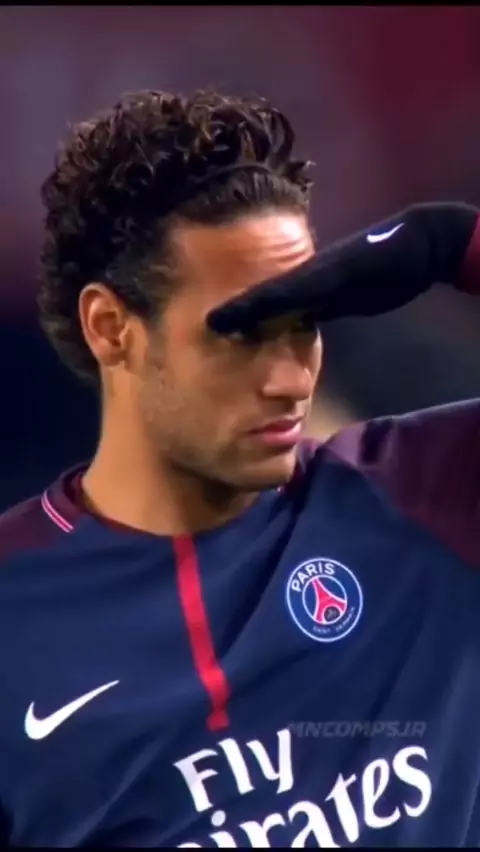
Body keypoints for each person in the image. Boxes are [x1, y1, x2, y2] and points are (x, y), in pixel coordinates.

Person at [1, 88, 480, 848]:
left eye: (305, 324)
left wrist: (454, 244)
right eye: (244, 334)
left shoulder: (428, 497)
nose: (291, 379)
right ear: (111, 327)